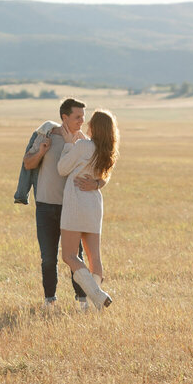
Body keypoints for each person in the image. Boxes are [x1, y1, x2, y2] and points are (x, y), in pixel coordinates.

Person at [22, 98, 102, 307]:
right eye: (77, 117)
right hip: (46, 205)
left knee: (75, 257)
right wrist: (41, 152)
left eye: (83, 118)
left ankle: (82, 300)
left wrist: (97, 183)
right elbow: (27, 164)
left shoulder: (84, 142)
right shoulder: (45, 136)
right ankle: (50, 302)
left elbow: (101, 171)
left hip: (72, 207)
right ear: (64, 117)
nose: (81, 122)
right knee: (48, 258)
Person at [59, 108, 118, 310]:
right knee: (95, 257)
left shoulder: (83, 146)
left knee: (68, 255)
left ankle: (96, 294)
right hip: (94, 205)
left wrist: (68, 145)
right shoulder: (108, 151)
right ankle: (96, 306)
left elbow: (62, 168)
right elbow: (104, 177)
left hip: (76, 204)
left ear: (94, 127)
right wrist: (96, 184)